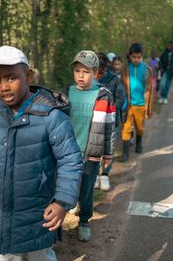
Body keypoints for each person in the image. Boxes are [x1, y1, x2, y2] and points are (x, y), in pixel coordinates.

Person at [0, 46, 83, 261]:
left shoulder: (51, 118)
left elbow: (70, 161)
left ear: (28, 76)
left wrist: (62, 202)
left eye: (11, 78)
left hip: (38, 216)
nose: (4, 86)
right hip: (2, 219)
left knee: (40, 256)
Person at [64, 50, 116, 241]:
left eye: (86, 72)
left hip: (91, 154)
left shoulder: (104, 96)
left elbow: (110, 127)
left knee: (86, 189)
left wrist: (108, 155)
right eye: (77, 71)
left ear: (95, 72)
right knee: (66, 186)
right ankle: (62, 219)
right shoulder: (66, 93)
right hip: (67, 152)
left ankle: (84, 220)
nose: (80, 76)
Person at [94, 52, 125, 191]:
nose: (98, 75)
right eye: (96, 72)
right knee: (94, 148)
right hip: (94, 122)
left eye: (101, 72)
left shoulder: (114, 80)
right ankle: (94, 175)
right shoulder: (89, 80)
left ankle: (105, 174)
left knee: (108, 148)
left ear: (106, 68)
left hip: (112, 121)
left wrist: (109, 111)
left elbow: (121, 98)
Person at [119, 43, 153, 162]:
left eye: (139, 57)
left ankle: (139, 143)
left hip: (141, 105)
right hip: (128, 105)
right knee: (126, 128)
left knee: (139, 127)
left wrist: (148, 107)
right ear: (130, 56)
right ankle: (125, 153)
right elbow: (122, 87)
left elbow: (149, 90)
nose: (136, 59)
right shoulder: (125, 69)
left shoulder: (147, 70)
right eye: (134, 57)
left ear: (142, 56)